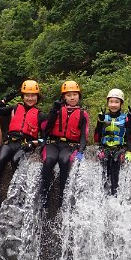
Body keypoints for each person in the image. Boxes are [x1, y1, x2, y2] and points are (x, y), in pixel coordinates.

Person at [39, 80, 89, 208]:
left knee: (64, 160)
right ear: (63, 97)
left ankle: (62, 196)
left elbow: (84, 136)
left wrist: (81, 151)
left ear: (79, 96)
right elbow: (46, 128)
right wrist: (53, 111)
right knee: (49, 160)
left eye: (75, 94)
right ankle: (44, 196)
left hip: (70, 145)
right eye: (68, 95)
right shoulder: (57, 110)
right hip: (54, 143)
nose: (72, 97)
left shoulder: (83, 114)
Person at [0, 80, 47, 186]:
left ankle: (18, 191)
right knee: (1, 160)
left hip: (25, 145)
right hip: (10, 142)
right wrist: (5, 99)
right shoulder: (15, 108)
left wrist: (33, 143)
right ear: (23, 96)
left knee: (15, 159)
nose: (30, 99)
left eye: (33, 96)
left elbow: (45, 139)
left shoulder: (41, 115)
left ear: (37, 97)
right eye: (27, 95)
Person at [93, 88, 131, 195]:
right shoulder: (103, 117)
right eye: (111, 102)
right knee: (104, 161)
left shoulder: (125, 118)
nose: (113, 105)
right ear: (107, 103)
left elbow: (130, 135)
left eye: (116, 102)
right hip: (105, 147)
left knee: (116, 161)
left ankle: (115, 192)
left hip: (119, 148)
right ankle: (104, 193)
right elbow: (97, 135)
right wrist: (100, 122)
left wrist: (129, 151)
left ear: (121, 104)